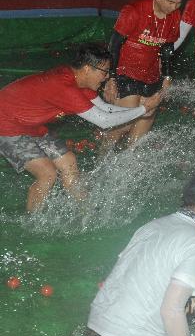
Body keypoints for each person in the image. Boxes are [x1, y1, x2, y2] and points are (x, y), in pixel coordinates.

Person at [76, 171, 195, 336]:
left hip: (97, 329)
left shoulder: (154, 225)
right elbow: (171, 310)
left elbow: (119, 276)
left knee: (193, 302)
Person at [0, 44, 161, 211]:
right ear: (87, 69)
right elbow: (104, 121)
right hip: (5, 125)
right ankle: (31, 221)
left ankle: (86, 210)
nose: (106, 77)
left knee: (69, 162)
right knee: (47, 174)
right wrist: (143, 109)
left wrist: (140, 111)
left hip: (30, 124)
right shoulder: (63, 87)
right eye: (104, 71)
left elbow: (106, 109)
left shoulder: (77, 80)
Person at [104, 0, 187, 147]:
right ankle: (101, 158)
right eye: (170, 2)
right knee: (124, 124)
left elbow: (167, 47)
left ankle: (129, 165)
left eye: (178, 3)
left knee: (142, 128)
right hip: (126, 71)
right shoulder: (134, 11)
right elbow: (114, 44)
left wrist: (167, 76)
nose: (174, 7)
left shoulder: (175, 15)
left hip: (151, 75)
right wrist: (111, 78)